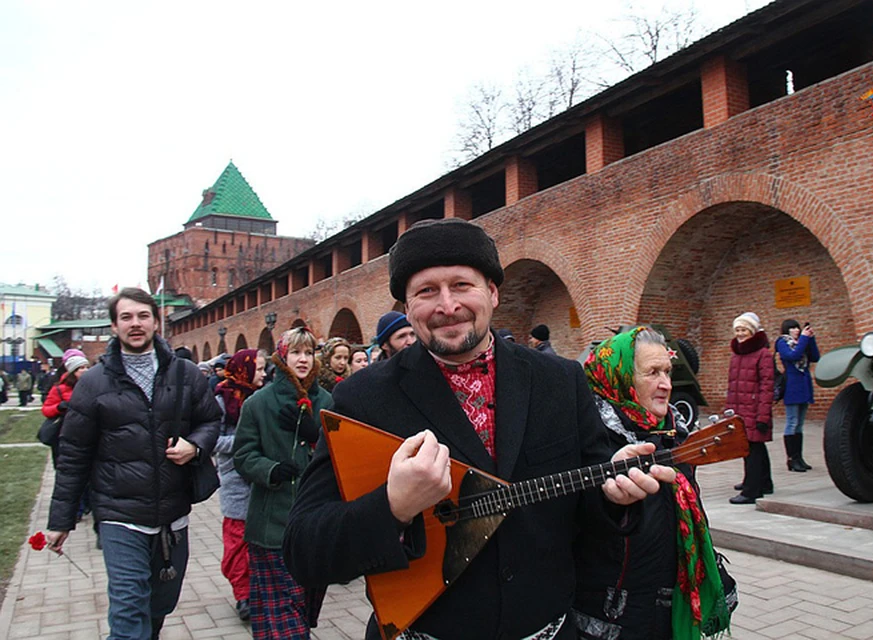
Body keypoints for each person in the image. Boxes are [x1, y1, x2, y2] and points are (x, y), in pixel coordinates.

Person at [282, 218, 675, 640]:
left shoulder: (559, 381)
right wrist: (393, 506)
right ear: (407, 307)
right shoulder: (363, 398)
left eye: (462, 285)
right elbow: (304, 548)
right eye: (426, 291)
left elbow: (589, 511)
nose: (446, 305)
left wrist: (615, 493)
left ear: (492, 292)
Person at [46, 287, 221, 640]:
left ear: (157, 322)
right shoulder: (94, 383)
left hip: (173, 514)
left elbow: (211, 419)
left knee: (158, 609)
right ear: (114, 326)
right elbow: (74, 454)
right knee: (129, 613)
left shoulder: (185, 374)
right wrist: (60, 521)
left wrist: (196, 446)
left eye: (143, 316)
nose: (135, 324)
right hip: (119, 516)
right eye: (126, 317)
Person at [575, 327, 729, 640]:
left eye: (668, 372)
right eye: (652, 373)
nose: (666, 385)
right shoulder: (588, 437)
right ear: (618, 377)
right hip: (614, 616)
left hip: (672, 608)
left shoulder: (675, 433)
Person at [234, 327, 333, 639]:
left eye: (309, 352)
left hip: (317, 524)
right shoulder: (258, 404)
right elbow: (243, 455)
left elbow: (342, 455)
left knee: (305, 607)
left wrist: (314, 434)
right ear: (283, 357)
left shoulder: (328, 400)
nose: (303, 360)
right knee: (285, 615)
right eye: (296, 353)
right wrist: (271, 469)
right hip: (272, 526)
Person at [213, 348, 267, 622]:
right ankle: (243, 594)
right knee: (236, 542)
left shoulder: (264, 398)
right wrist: (246, 441)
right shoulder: (222, 399)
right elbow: (212, 440)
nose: (264, 374)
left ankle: (256, 590)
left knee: (258, 542)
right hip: (235, 481)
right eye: (259, 369)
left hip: (261, 479)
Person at [727, 312, 775, 505]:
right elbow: (733, 385)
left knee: (751, 449)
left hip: (754, 409)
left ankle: (752, 491)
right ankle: (764, 482)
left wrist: (762, 416)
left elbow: (767, 385)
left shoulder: (763, 354)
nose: (740, 334)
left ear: (752, 331)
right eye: (737, 330)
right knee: (755, 446)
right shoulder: (737, 354)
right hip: (741, 409)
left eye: (744, 330)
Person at [775, 319, 820, 472]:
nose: (796, 330)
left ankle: (799, 457)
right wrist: (804, 339)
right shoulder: (782, 342)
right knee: (792, 422)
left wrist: (810, 339)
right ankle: (791, 459)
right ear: (786, 330)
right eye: (792, 328)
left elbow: (814, 356)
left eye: (797, 328)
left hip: (804, 384)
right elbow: (793, 356)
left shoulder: (802, 341)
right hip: (792, 385)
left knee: (800, 424)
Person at [40, 349, 90, 466]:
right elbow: (46, 410)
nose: (85, 371)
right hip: (64, 435)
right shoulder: (60, 388)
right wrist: (59, 407)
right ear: (72, 371)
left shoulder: (94, 386)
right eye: (80, 368)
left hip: (87, 434)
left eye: (86, 367)